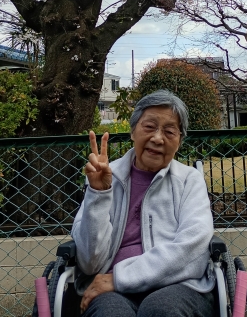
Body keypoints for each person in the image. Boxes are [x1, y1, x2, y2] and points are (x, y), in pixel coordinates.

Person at [71, 90, 215, 317]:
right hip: (109, 290)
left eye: (169, 131)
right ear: (133, 131)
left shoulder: (189, 180)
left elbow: (193, 246)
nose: (157, 138)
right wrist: (99, 194)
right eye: (149, 127)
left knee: (162, 309)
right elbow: (90, 262)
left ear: (179, 141)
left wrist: (120, 278)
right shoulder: (106, 176)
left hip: (177, 286)